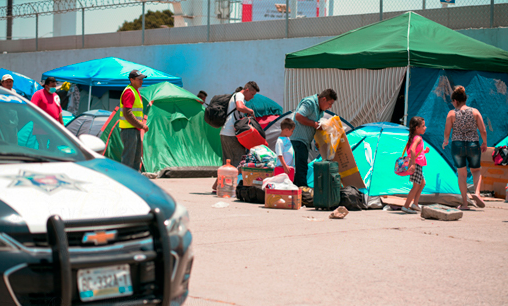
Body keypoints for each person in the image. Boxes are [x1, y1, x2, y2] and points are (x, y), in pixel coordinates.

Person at [443, 85, 487, 210]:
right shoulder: (475, 112)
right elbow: (483, 130)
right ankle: (477, 193)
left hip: (457, 145)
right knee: (476, 170)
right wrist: (484, 142)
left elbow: (447, 132)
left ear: (455, 101)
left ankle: (465, 204)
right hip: (473, 144)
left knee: (461, 174)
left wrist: (445, 141)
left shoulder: (451, 114)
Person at [212, 81, 260, 192]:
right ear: (247, 90)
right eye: (252, 94)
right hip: (230, 134)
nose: (252, 97)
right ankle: (233, 187)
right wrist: (250, 111)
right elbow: (239, 107)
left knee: (227, 162)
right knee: (239, 160)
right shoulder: (239, 95)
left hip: (225, 132)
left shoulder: (237, 96)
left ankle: (217, 186)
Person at [290, 89, 337, 187]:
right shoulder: (310, 103)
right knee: (301, 167)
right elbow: (298, 116)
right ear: (323, 99)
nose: (330, 107)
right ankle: (302, 191)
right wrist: (314, 124)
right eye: (329, 104)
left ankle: (299, 190)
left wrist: (317, 141)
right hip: (298, 139)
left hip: (305, 141)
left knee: (301, 167)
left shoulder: (320, 111)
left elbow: (315, 126)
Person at [119, 70, 149, 171]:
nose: (141, 81)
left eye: (142, 79)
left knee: (136, 159)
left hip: (133, 129)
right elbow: (127, 113)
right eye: (139, 79)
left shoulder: (135, 91)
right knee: (129, 160)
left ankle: (135, 181)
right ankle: (126, 182)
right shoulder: (129, 92)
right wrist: (141, 125)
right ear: (131, 80)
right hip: (129, 130)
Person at [402, 116, 430, 214]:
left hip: (417, 164)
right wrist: (413, 164)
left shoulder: (413, 137)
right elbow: (412, 150)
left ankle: (415, 204)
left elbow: (415, 151)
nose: (425, 127)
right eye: (423, 126)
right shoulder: (418, 138)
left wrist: (424, 151)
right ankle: (406, 206)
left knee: (422, 183)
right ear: (417, 128)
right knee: (416, 186)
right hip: (416, 165)